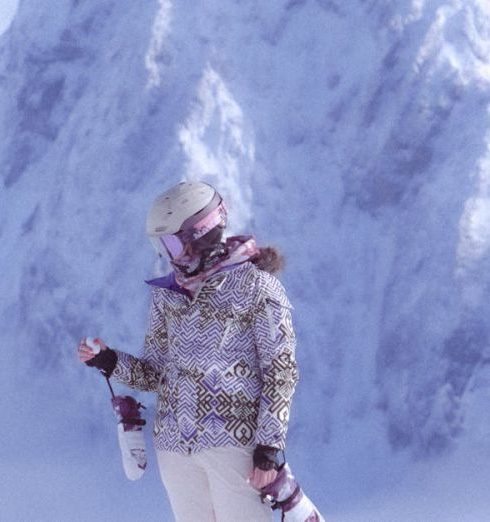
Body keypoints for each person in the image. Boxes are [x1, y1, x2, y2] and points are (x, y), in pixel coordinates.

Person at [78, 181, 299, 522]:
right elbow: (154, 372)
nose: (169, 255)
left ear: (202, 234)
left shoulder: (257, 286)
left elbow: (280, 370)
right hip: (174, 447)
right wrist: (110, 361)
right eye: (162, 245)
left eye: (172, 243)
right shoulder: (167, 295)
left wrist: (269, 447)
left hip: (234, 445)